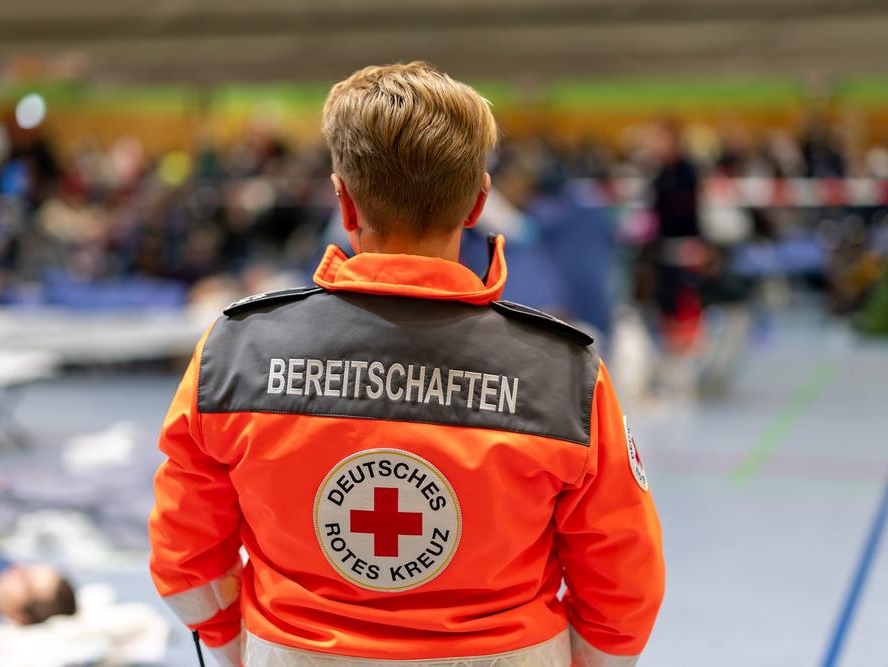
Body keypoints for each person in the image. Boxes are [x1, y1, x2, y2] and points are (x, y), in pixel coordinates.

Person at [150, 62, 664, 666]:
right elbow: (624, 576)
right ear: (478, 203)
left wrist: (230, 642)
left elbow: (183, 551)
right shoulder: (564, 375)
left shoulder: (236, 351)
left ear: (343, 201)